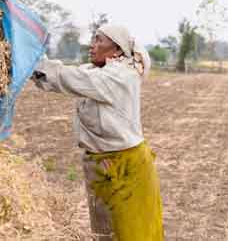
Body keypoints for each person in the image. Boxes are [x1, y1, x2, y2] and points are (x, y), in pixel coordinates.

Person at [32, 24, 163, 240]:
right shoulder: (97, 70)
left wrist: (35, 62)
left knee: (131, 233)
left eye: (98, 41)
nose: (91, 46)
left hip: (124, 166)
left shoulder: (120, 76)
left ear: (117, 50)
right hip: (102, 164)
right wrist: (32, 61)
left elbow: (70, 79)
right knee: (106, 233)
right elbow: (61, 76)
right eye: (92, 40)